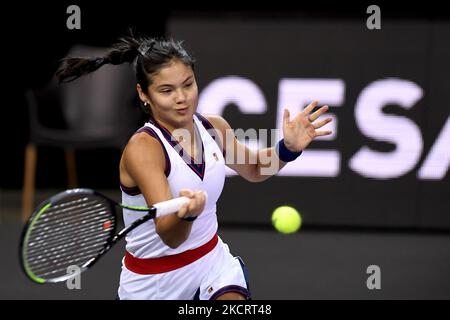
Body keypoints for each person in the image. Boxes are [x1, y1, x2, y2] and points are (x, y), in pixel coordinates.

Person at [56, 34, 332, 300]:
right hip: (156, 284)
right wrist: (186, 216)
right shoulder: (144, 148)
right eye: (166, 90)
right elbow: (169, 234)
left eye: (188, 84)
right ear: (144, 94)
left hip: (213, 264)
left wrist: (288, 148)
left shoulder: (213, 127)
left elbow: (255, 168)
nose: (181, 98)